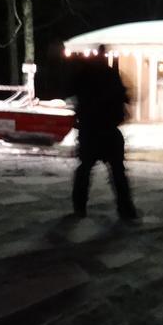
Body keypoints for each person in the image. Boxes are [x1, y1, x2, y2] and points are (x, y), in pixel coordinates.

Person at [69, 45, 138, 220]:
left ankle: (79, 207)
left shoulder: (83, 76)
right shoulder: (111, 74)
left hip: (90, 130)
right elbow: (124, 96)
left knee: (85, 170)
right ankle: (125, 208)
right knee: (117, 172)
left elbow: (76, 96)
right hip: (107, 129)